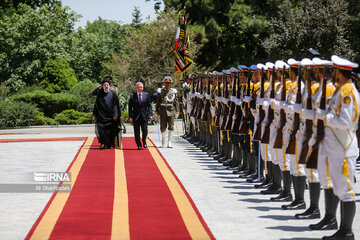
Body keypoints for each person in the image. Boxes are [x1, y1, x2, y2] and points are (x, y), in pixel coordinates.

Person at [92, 77, 121, 149]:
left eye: (107, 85)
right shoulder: (99, 93)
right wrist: (94, 114)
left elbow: (115, 105)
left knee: (110, 130)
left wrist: (115, 114)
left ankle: (109, 143)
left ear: (109, 85)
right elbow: (96, 105)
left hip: (110, 115)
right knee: (101, 130)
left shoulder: (113, 93)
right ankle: (102, 143)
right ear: (102, 86)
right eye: (104, 85)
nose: (106, 86)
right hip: (101, 115)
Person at [156, 75, 180, 148]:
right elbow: (158, 102)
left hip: (171, 110)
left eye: (168, 83)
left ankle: (169, 142)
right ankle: (163, 141)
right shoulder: (160, 91)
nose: (167, 84)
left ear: (170, 84)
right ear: (164, 83)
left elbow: (176, 102)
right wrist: (156, 112)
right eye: (166, 82)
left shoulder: (173, 91)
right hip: (163, 110)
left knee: (171, 126)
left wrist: (177, 112)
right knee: (162, 127)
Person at [128, 82, 153, 150]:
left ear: (143, 87)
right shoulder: (132, 96)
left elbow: (149, 106)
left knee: (145, 130)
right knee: (137, 132)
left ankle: (144, 141)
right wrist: (130, 116)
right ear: (136, 88)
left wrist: (150, 114)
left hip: (144, 116)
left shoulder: (146, 95)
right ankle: (138, 144)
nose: (140, 88)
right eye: (139, 87)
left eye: (141, 87)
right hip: (135, 116)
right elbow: (130, 107)